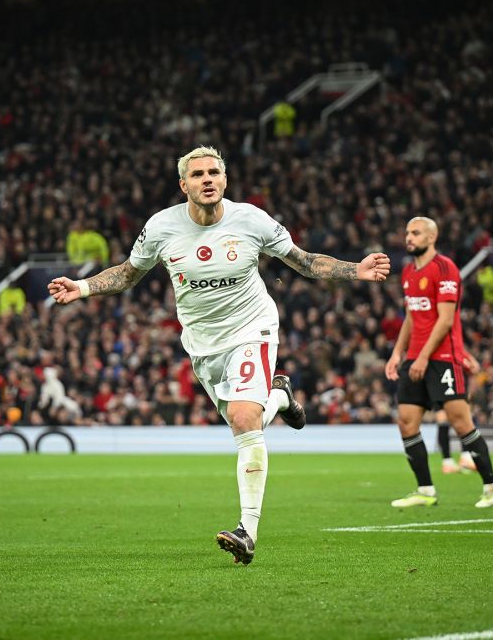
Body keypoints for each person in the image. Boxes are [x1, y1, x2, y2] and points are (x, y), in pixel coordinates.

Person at [48, 145, 390, 564]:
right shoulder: (161, 227)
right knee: (242, 421)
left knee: (245, 419)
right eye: (198, 175)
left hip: (253, 328)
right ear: (184, 185)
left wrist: (356, 269)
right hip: (202, 342)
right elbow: (126, 273)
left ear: (224, 180)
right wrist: (81, 288)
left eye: (214, 173)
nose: (207, 179)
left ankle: (248, 530)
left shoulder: (252, 219)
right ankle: (279, 396)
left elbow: (302, 261)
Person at [384, 217, 493, 509]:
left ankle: (492, 489)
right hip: (414, 358)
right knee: (407, 422)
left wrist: (424, 357)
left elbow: (446, 319)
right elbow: (412, 316)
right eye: (407, 233)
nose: (409, 238)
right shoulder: (409, 272)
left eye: (415, 233)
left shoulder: (445, 268)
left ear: (431, 237)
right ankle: (425, 490)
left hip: (442, 359)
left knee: (461, 422)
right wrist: (397, 353)